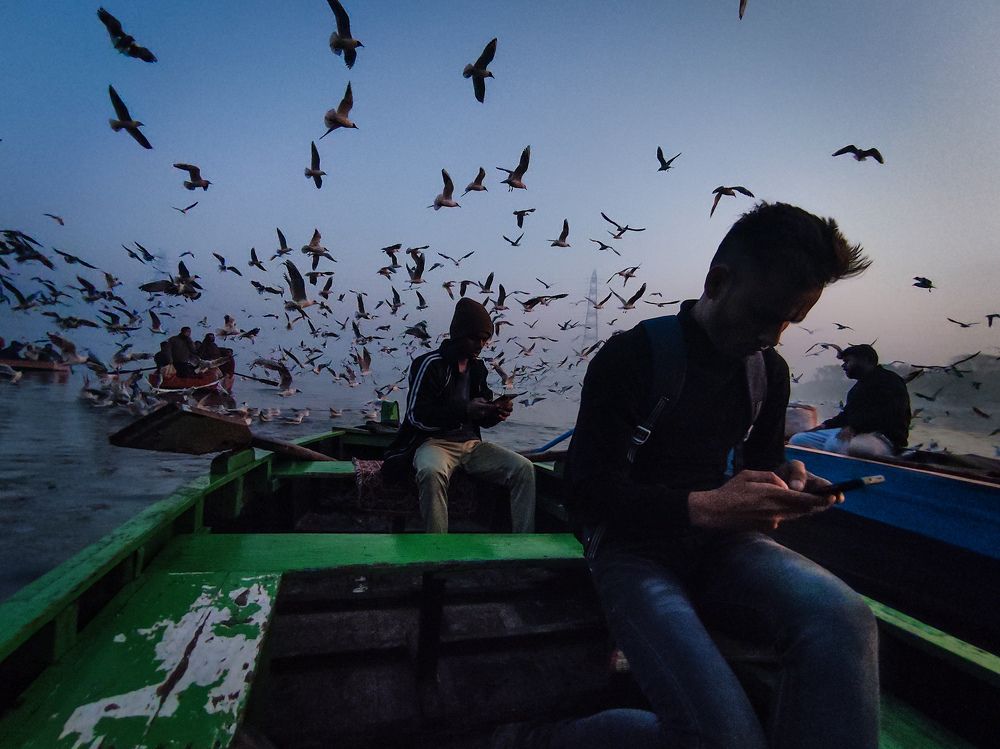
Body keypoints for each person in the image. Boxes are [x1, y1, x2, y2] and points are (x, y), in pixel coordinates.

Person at [506, 203, 879, 749]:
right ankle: (538, 740)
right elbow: (586, 494)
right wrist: (705, 507)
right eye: (763, 314)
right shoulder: (633, 356)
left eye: (790, 321)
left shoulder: (767, 371)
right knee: (723, 739)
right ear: (717, 281)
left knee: (845, 619)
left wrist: (789, 480)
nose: (772, 335)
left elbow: (760, 465)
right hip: (632, 553)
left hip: (724, 547)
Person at [382, 298, 536, 533]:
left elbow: (481, 418)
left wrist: (496, 412)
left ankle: (526, 545)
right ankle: (437, 547)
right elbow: (416, 416)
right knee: (431, 472)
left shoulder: (478, 368)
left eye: (485, 339)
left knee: (524, 469)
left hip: (471, 446)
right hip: (432, 444)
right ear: (458, 334)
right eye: (474, 338)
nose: (480, 344)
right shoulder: (429, 364)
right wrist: (464, 410)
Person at [788, 344, 910, 457]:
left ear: (865, 360)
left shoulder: (890, 381)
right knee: (798, 439)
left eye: (847, 361)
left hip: (882, 438)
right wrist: (824, 426)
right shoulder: (858, 387)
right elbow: (847, 415)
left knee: (835, 445)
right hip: (855, 432)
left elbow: (889, 413)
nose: (843, 366)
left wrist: (855, 428)